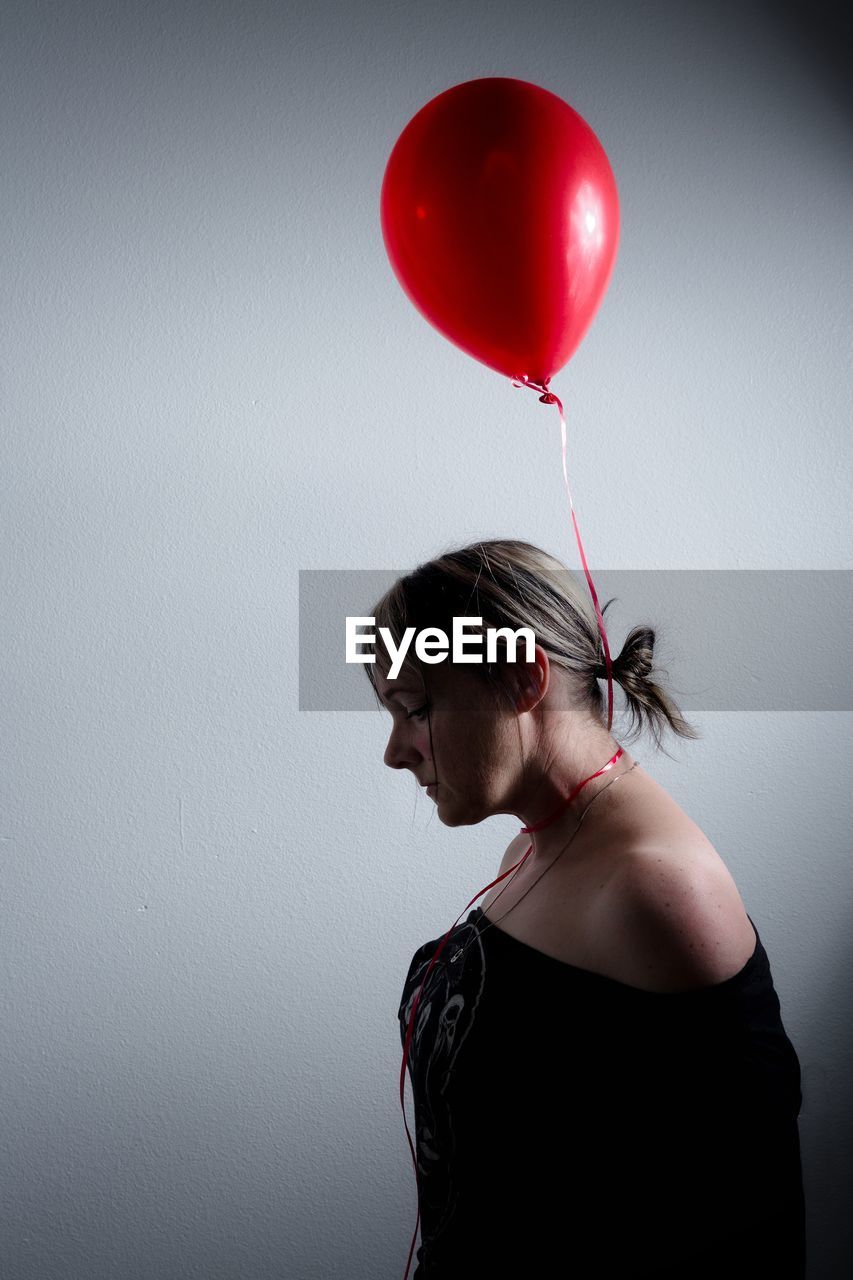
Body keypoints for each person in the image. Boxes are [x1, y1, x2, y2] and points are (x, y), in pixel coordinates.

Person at [366, 538, 807, 1278]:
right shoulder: (531, 850)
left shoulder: (657, 892)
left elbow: (748, 1229)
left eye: (414, 709)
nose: (394, 750)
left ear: (521, 678)